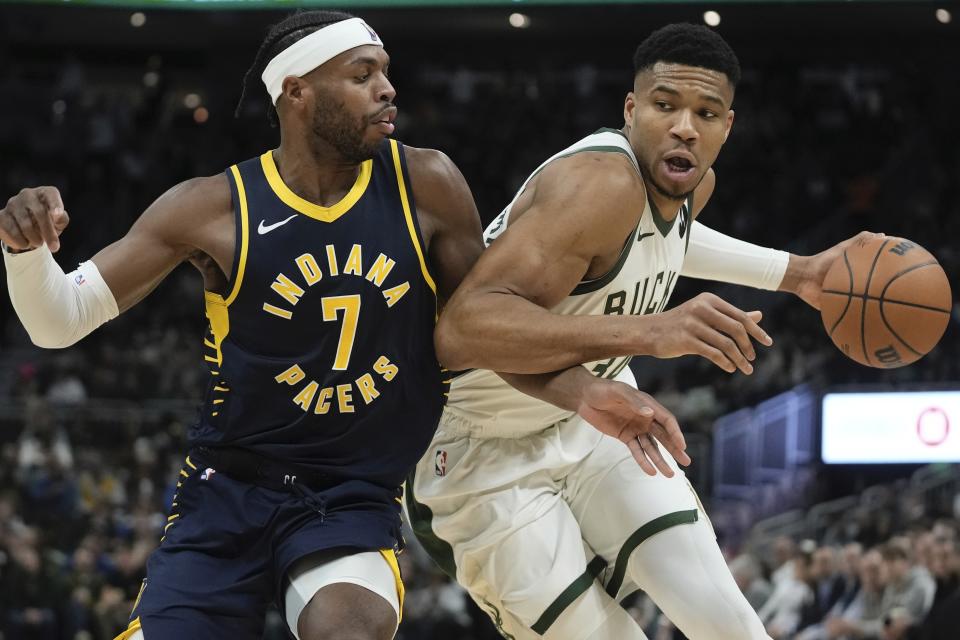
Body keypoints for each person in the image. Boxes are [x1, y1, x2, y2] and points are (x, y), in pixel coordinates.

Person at [0, 10, 500, 640]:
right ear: (296, 91)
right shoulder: (212, 207)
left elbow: (486, 326)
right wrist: (26, 252)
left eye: (386, 73)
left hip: (348, 497)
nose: (387, 89)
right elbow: (57, 322)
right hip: (225, 492)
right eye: (362, 74)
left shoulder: (425, 183)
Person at [406, 23, 878, 640]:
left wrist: (798, 274)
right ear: (631, 109)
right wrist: (649, 331)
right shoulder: (599, 184)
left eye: (705, 113)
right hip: (477, 449)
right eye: (665, 105)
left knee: (733, 626)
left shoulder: (688, 183)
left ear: (727, 126)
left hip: (596, 425)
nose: (685, 126)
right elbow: (462, 329)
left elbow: (669, 244)